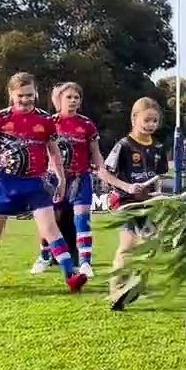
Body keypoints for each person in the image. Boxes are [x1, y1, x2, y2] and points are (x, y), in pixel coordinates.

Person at [0, 73, 88, 294]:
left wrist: (60, 179)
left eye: (30, 95)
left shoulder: (45, 120)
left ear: (36, 93)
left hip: (36, 183)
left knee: (50, 229)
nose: (26, 99)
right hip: (4, 184)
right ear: (11, 94)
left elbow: (54, 153)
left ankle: (71, 276)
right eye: (21, 95)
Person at [33, 82, 123, 280]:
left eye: (77, 97)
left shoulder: (87, 125)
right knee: (49, 220)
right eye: (69, 97)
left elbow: (95, 153)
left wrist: (103, 172)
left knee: (82, 219)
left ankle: (85, 263)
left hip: (81, 179)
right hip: (54, 180)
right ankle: (44, 256)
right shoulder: (49, 122)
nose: (73, 101)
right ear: (59, 100)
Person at [105, 98, 170, 309]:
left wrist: (158, 196)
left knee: (152, 243)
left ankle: (136, 284)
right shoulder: (123, 146)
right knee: (128, 244)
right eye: (147, 120)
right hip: (126, 203)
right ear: (134, 118)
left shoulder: (158, 147)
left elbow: (158, 177)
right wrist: (127, 187)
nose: (151, 124)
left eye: (155, 121)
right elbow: (105, 173)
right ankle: (116, 291)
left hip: (148, 205)